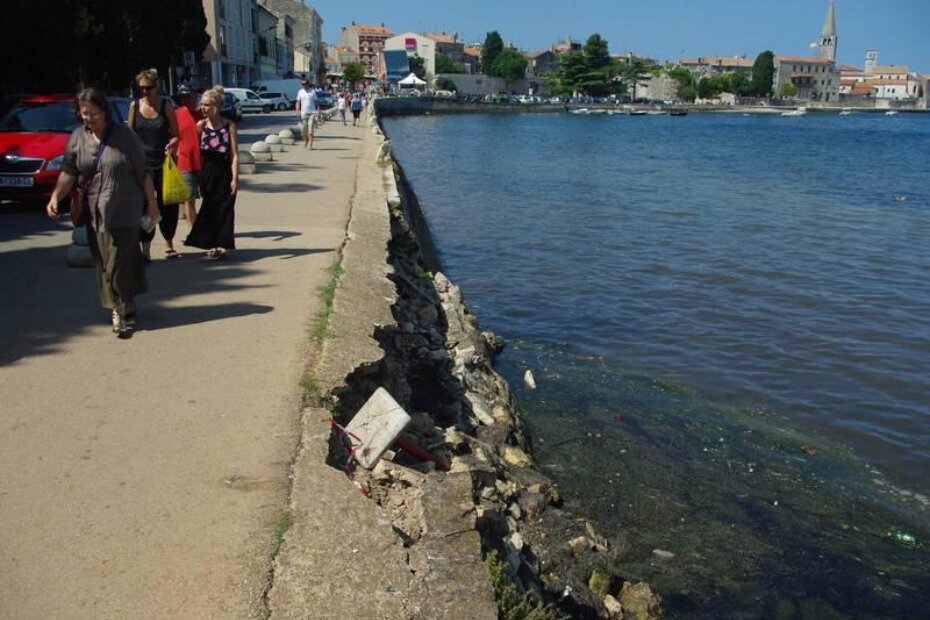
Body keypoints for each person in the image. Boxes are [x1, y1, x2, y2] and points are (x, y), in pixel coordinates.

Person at [45, 88, 158, 338]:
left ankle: (118, 308)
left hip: (125, 208)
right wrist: (55, 196)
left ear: (104, 111)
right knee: (105, 263)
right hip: (94, 211)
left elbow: (143, 171)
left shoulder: (124, 136)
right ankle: (125, 301)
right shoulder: (77, 138)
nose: (88, 118)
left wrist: (152, 202)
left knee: (119, 259)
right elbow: (69, 172)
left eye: (93, 113)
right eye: (84, 113)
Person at [128, 68, 180, 260]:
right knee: (143, 206)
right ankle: (146, 249)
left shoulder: (165, 106)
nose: (144, 92)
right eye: (140, 88)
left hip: (163, 162)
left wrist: (172, 143)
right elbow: (129, 135)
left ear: (156, 86)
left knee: (168, 204)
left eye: (148, 88)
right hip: (142, 165)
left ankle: (169, 242)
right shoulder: (135, 105)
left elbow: (176, 134)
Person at [184, 86, 239, 260]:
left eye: (207, 105)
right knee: (209, 209)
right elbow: (196, 151)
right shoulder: (200, 126)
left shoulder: (229, 126)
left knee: (225, 209)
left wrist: (235, 179)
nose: (203, 108)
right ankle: (211, 245)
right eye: (202, 105)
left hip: (224, 173)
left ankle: (223, 245)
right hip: (206, 174)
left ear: (216, 106)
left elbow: (235, 155)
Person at [174, 85, 202, 228]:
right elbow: (172, 137)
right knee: (189, 199)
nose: (185, 99)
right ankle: (194, 229)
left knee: (209, 197)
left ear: (195, 96)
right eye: (182, 96)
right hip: (185, 163)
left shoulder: (204, 113)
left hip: (204, 163)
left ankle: (207, 227)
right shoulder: (176, 114)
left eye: (188, 95)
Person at [295, 80, 318, 149]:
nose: (304, 85)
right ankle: (306, 140)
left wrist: (318, 110)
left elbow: (316, 102)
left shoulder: (312, 91)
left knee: (310, 129)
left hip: (312, 113)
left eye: (305, 84)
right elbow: (298, 102)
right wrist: (297, 110)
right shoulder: (300, 92)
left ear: (308, 84)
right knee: (304, 130)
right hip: (303, 113)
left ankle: (310, 145)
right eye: (302, 84)